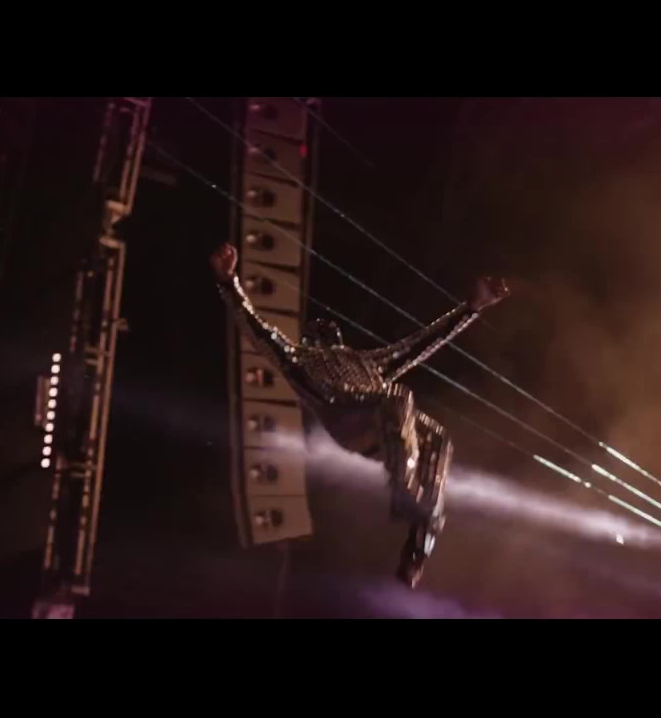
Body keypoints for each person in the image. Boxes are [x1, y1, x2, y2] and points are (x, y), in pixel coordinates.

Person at [210, 243, 509, 587]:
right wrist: (229, 282)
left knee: (437, 436)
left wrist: (472, 306)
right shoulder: (298, 358)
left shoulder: (366, 363)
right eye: (318, 336)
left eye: (329, 336)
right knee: (397, 398)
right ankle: (404, 491)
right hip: (345, 415)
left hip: (385, 427)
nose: (325, 339)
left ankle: (418, 547)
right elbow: (259, 331)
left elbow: (419, 344)